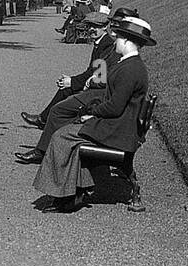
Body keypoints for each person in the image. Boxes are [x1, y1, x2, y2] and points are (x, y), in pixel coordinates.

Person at [32, 14, 155, 212]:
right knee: (69, 130)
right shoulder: (130, 65)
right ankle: (73, 192)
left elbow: (114, 107)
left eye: (118, 37)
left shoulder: (130, 70)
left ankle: (66, 196)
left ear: (126, 41)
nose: (115, 39)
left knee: (61, 136)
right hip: (119, 126)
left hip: (117, 131)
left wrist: (93, 113)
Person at [16, 8, 134, 163]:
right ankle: (46, 137)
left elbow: (103, 77)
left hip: (102, 94)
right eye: (113, 24)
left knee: (59, 109)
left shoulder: (114, 47)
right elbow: (96, 72)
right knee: (63, 101)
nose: (92, 29)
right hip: (101, 91)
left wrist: (83, 82)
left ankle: (43, 147)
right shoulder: (110, 46)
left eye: (96, 26)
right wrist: (84, 80)